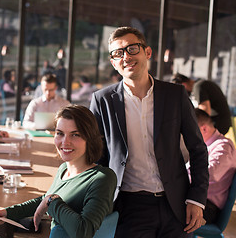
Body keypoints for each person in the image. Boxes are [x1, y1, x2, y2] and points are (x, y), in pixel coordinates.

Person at [89, 26, 209, 237]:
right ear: (113, 63)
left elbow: (198, 149)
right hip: (128, 206)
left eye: (132, 49)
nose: (126, 56)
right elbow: (94, 157)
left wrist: (196, 199)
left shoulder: (175, 95)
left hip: (176, 204)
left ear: (147, 52)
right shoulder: (102, 100)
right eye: (118, 53)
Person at [0, 105, 117, 238]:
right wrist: (8, 213)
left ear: (90, 138)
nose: (65, 142)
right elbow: (44, 199)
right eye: (60, 133)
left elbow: (84, 231)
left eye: (75, 135)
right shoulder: (64, 169)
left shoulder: (102, 178)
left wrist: (52, 201)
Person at [192, 108, 236, 223]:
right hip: (199, 200)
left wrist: (178, 175)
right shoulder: (207, 146)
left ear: (204, 129)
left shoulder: (223, 146)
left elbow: (210, 173)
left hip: (208, 207)